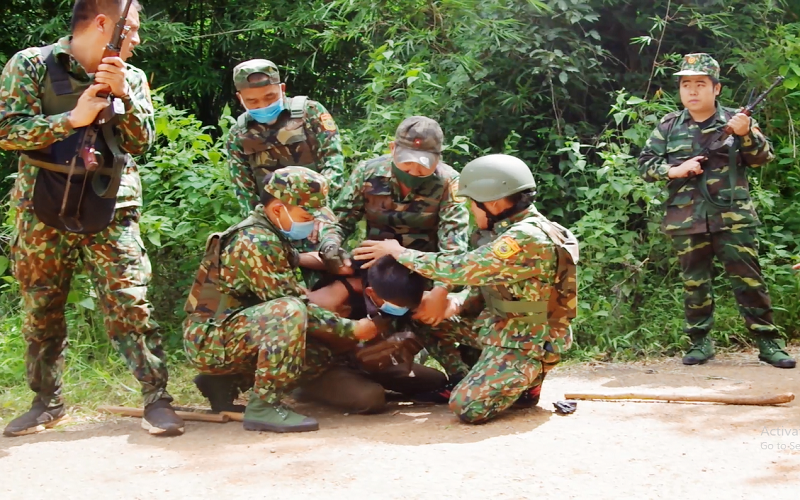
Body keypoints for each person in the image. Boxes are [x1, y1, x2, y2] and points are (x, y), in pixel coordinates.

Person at [0, 0, 184, 437]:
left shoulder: (132, 76)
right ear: (104, 23)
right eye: (132, 28)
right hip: (42, 205)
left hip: (111, 203)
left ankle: (156, 398)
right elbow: (7, 131)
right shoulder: (31, 65)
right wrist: (72, 119)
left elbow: (141, 143)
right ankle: (48, 402)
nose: (137, 38)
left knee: (129, 303)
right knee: (41, 308)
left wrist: (122, 95)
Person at [353, 154, 579, 424]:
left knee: (466, 407)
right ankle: (464, 377)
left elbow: (462, 267)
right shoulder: (509, 230)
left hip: (528, 342)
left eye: (473, 203)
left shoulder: (526, 238)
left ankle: (528, 381)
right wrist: (456, 304)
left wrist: (400, 252)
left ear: (493, 203)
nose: (472, 211)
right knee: (427, 315)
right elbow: (487, 280)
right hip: (501, 325)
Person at [183, 166, 379, 432]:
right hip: (210, 339)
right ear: (277, 209)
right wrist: (352, 329)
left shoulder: (271, 234)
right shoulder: (256, 241)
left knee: (318, 354)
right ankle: (264, 406)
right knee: (290, 311)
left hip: (229, 331)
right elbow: (294, 306)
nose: (311, 221)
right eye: (307, 214)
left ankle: (224, 382)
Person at [638, 53, 795, 369]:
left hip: (733, 217)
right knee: (695, 283)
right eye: (686, 85)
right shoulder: (668, 126)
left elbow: (763, 158)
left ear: (716, 88)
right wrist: (675, 170)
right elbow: (645, 164)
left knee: (750, 281)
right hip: (686, 218)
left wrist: (745, 133)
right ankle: (699, 342)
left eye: (700, 84)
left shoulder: (737, 122)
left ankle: (768, 343)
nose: (692, 91)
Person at [317, 116, 478, 398]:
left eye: (423, 164)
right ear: (393, 149)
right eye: (407, 161)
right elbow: (339, 221)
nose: (413, 170)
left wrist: (441, 290)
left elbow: (455, 246)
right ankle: (331, 366)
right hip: (376, 270)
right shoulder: (368, 173)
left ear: (438, 159)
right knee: (333, 296)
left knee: (431, 315)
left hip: (424, 270)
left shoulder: (448, 183)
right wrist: (333, 252)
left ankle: (458, 375)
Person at [295, 255, 450, 414]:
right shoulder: (329, 300)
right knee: (371, 398)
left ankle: (358, 382)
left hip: (364, 360)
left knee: (435, 380)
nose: (403, 309)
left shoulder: (392, 290)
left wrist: (389, 346)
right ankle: (310, 390)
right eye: (399, 306)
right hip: (324, 367)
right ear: (371, 292)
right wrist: (358, 348)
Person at [225, 59, 345, 218]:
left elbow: (333, 164)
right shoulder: (238, 134)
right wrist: (264, 224)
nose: (263, 105)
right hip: (273, 219)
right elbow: (245, 192)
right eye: (252, 101)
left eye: (270, 97)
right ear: (240, 99)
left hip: (321, 211)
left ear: (282, 89)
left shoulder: (310, 112)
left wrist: (315, 210)